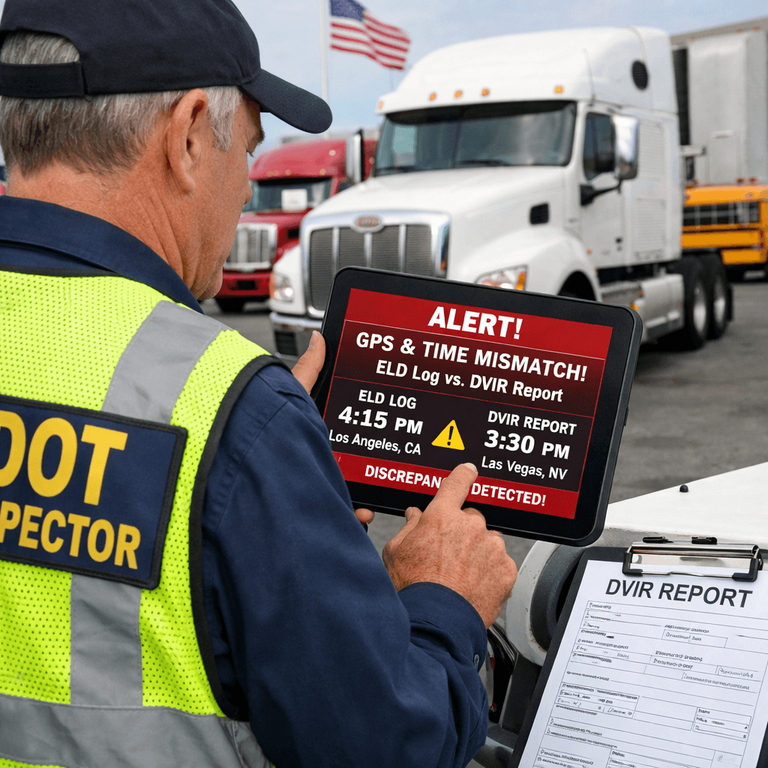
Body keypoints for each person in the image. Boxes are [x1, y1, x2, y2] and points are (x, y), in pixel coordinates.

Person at [0, 1, 517, 766]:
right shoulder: (233, 410)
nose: (246, 190)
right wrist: (444, 603)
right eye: (245, 149)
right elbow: (382, 744)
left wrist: (267, 489)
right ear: (187, 136)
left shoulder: (244, 423)